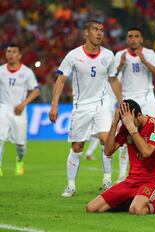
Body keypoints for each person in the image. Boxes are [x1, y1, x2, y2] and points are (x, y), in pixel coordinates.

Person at [49, 20, 122, 197]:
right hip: (81, 106)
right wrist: (54, 104)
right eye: (95, 30)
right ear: (86, 34)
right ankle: (71, 185)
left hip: (102, 104)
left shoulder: (108, 55)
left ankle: (107, 180)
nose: (99, 33)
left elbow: (113, 79)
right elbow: (61, 79)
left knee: (107, 140)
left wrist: (122, 102)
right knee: (77, 146)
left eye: (102, 30)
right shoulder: (73, 55)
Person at [86, 100, 155, 214]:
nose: (125, 123)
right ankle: (133, 201)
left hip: (154, 181)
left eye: (128, 120)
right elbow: (108, 151)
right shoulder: (126, 127)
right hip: (131, 181)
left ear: (138, 115)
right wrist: (114, 124)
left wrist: (131, 128)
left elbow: (147, 152)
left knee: (136, 210)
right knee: (92, 208)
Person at [114, 27, 155, 182]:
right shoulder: (120, 55)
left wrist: (144, 61)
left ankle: (154, 171)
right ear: (127, 39)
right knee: (125, 135)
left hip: (147, 98)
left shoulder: (149, 54)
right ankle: (122, 175)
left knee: (153, 133)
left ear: (141, 39)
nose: (133, 39)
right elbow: (111, 77)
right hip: (129, 100)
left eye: (136, 36)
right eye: (130, 36)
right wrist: (120, 65)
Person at [0, 44, 40, 176]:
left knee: (20, 144)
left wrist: (23, 104)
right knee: (0, 138)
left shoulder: (26, 72)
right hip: (3, 107)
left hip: (19, 110)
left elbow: (35, 90)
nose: (10, 54)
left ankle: (20, 160)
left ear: (19, 56)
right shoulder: (1, 71)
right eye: (8, 52)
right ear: (6, 55)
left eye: (13, 52)